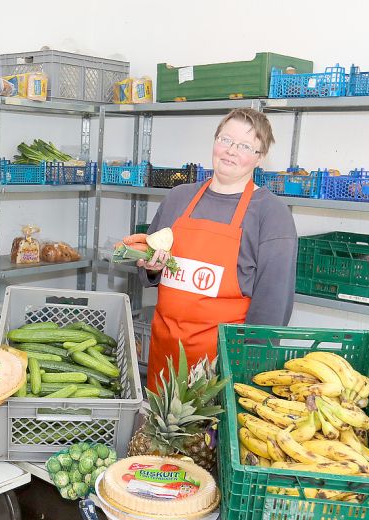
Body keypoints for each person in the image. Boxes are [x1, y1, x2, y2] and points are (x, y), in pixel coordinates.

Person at [124, 108, 297, 392]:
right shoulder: (179, 198)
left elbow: (273, 306)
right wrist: (152, 268)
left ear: (260, 156)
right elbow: (150, 270)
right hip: (164, 356)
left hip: (222, 369)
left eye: (244, 146)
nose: (230, 151)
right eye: (225, 139)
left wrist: (246, 374)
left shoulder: (271, 214)